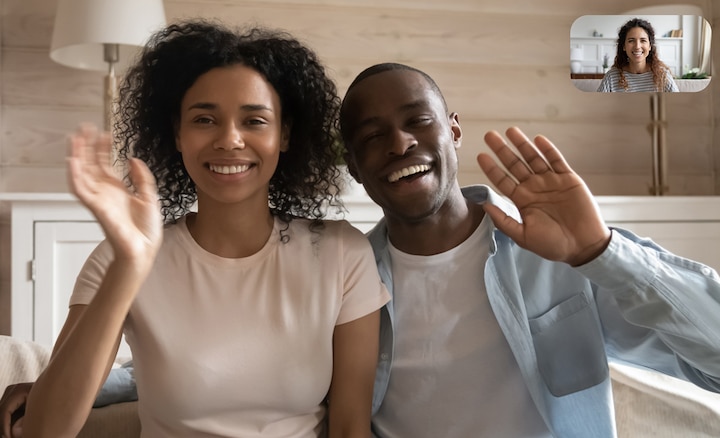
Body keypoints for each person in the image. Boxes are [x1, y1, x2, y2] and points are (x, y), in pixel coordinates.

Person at [1, 20, 389, 438]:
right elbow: (44, 431)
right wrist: (130, 264)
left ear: (285, 134)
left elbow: (351, 427)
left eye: (254, 121)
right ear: (177, 133)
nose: (229, 140)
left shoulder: (340, 253)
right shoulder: (121, 259)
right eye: (205, 119)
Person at [338, 62, 720, 437]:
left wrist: (601, 251)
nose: (400, 143)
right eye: (372, 137)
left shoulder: (560, 252)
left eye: (418, 121)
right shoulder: (345, 282)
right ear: (354, 167)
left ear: (453, 129)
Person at [597, 18, 679, 92]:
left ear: (650, 46)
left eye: (643, 40)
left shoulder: (663, 76)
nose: (637, 46)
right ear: (624, 46)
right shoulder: (611, 77)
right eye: (631, 41)